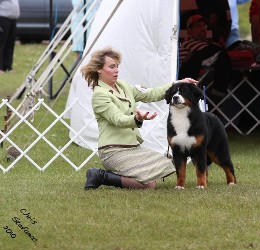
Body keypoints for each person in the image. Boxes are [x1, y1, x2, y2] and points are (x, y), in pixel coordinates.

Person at [83, 47, 198, 190]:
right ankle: (100, 175)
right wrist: (137, 119)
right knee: (149, 185)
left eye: (117, 66)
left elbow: (151, 94)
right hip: (112, 151)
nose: (116, 70)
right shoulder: (99, 95)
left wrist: (177, 84)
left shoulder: (124, 86)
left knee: (170, 163)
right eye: (111, 67)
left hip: (133, 148)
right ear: (99, 69)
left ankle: (120, 174)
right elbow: (117, 119)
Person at [178, 14, 233, 98]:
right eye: (198, 26)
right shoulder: (187, 42)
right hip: (190, 77)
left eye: (204, 26)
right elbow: (207, 51)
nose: (203, 28)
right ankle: (219, 89)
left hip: (206, 76)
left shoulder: (207, 43)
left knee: (221, 51)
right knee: (217, 51)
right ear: (189, 30)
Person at [0, 0, 20, 74]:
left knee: (10, 44)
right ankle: (0, 67)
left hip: (12, 19)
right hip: (3, 18)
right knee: (2, 44)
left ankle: (8, 66)